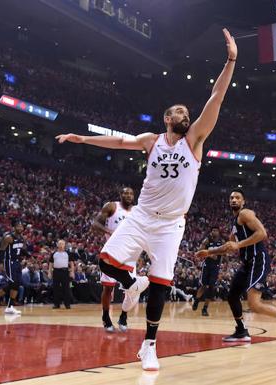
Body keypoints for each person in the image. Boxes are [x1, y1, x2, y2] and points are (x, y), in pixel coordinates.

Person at [56, 28, 238, 371]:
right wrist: (81, 138)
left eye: (187, 111)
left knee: (161, 284)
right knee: (106, 261)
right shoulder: (151, 140)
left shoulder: (195, 139)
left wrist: (230, 61)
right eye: (179, 111)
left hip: (170, 224)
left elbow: (216, 97)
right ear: (168, 119)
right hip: (141, 216)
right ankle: (131, 283)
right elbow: (118, 143)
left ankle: (149, 345)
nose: (186, 114)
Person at [195, 189, 276, 343]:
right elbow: (229, 246)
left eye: (237, 197)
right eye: (231, 198)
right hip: (247, 263)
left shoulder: (245, 214)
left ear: (243, 202)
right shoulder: (234, 223)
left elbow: (262, 233)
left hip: (258, 260)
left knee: (254, 304)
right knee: (232, 296)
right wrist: (209, 252)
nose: (234, 200)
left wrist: (239, 244)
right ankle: (242, 331)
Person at [91, 187, 135, 332]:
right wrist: (109, 231)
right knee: (108, 288)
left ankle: (123, 316)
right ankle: (106, 317)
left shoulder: (137, 211)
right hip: (112, 253)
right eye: (125, 193)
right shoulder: (112, 206)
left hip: (129, 255)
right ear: (120, 195)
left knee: (132, 289)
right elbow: (95, 224)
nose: (128, 195)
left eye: (130, 193)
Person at [193, 226, 224, 316]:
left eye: (216, 230)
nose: (214, 232)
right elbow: (199, 251)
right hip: (207, 265)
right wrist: (210, 254)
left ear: (218, 232)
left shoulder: (221, 242)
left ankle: (205, 308)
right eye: (213, 230)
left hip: (215, 266)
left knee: (211, 287)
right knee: (203, 286)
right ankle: (197, 300)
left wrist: (216, 253)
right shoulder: (207, 240)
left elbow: (224, 252)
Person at [0, 219, 27, 315]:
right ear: (14, 227)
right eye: (18, 226)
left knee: (16, 284)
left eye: (21, 226)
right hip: (9, 262)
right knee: (13, 283)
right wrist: (0, 263)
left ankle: (9, 307)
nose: (20, 228)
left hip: (17, 263)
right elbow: (1, 250)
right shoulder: (8, 237)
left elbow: (21, 251)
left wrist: (30, 257)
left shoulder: (22, 238)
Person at [49, 240, 75, 309]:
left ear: (64, 245)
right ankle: (56, 304)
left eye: (62, 244)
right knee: (56, 288)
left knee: (66, 288)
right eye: (59, 244)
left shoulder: (68, 253)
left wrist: (72, 272)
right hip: (56, 272)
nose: (60, 245)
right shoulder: (54, 253)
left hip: (65, 272)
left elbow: (71, 263)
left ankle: (67, 304)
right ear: (57, 245)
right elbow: (51, 264)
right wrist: (49, 272)